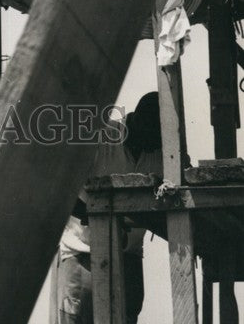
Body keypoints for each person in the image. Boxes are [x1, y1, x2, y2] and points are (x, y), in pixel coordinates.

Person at [51, 93, 163, 324]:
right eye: (157, 134)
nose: (160, 142)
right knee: (79, 318)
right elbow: (60, 187)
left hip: (129, 255)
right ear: (139, 122)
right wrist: (97, 217)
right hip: (83, 251)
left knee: (127, 317)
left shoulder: (161, 148)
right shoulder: (100, 136)